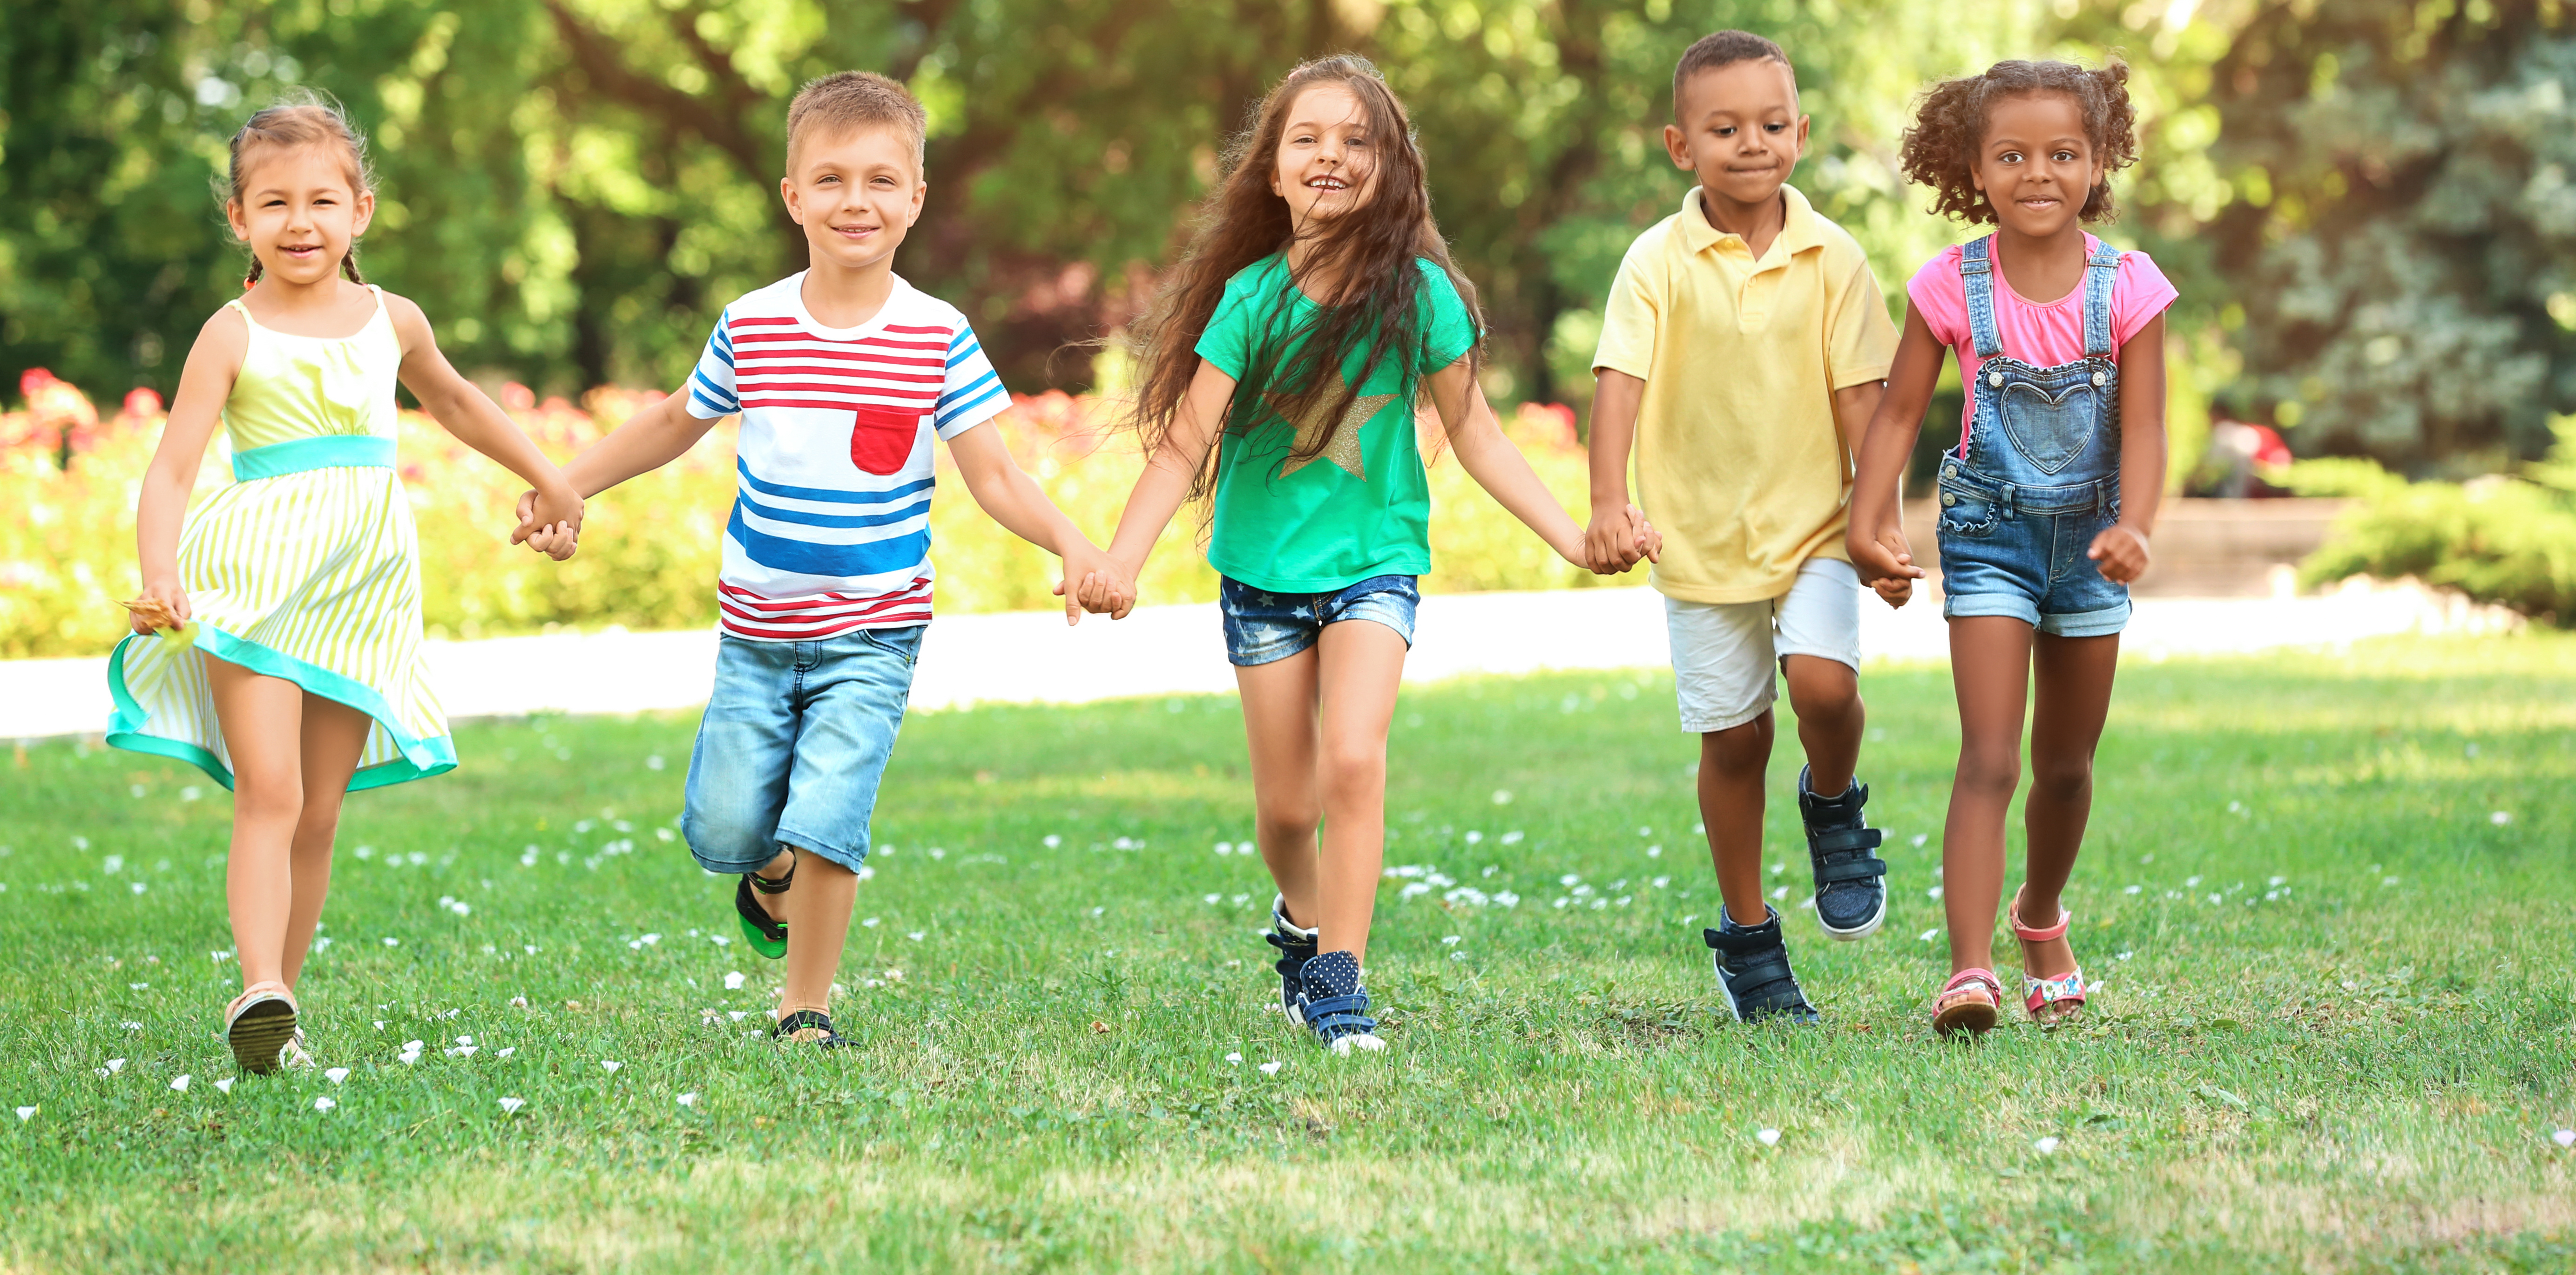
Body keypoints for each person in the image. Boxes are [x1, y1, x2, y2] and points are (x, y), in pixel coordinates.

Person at [515, 71, 1123, 1047]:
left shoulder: (936, 335)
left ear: (915, 199)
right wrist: (567, 481)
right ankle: (766, 876)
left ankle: (805, 1007)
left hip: (874, 631)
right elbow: (675, 420)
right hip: (757, 632)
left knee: (830, 813)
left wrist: (1073, 541)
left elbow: (997, 476)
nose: (857, 200)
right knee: (722, 830)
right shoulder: (754, 323)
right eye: (831, 179)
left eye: (883, 180)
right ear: (793, 195)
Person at [1095, 55, 1627, 1054]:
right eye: (1308, 138)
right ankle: (1300, 919)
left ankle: (1339, 977)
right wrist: (1122, 559)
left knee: (1353, 758)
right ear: (1273, 169)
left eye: (1356, 140)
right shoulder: (1251, 299)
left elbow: (1478, 437)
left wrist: (1572, 536)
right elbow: (1182, 445)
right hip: (1260, 577)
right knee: (1286, 807)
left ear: (1390, 167)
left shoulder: (1418, 294)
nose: (1331, 156)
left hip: (1374, 565)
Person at [112, 96, 585, 1075]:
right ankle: (255, 981)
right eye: (274, 202)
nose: (300, 222)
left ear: (361, 211)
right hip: (251, 584)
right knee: (271, 789)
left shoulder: (392, 320)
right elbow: (171, 468)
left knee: (320, 807)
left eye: (322, 200)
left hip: (361, 593)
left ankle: (274, 1010)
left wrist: (551, 474)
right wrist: (161, 571)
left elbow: (454, 398)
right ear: (239, 219)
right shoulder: (232, 331)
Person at [1844, 58, 2176, 1036]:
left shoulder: (2129, 286)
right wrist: (1868, 521)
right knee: (1987, 754)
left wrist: (2136, 525)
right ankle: (1969, 969)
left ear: (2099, 160)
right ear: (1973, 169)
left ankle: (2039, 916)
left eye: (2063, 152)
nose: (2039, 172)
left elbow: (2148, 428)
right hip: (1988, 540)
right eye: (2013, 155)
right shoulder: (1952, 283)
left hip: (2091, 548)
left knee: (2065, 764)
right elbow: (1900, 411)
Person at [1582, 30, 1901, 1025]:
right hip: (1695, 536)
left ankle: (1834, 801)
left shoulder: (1833, 256)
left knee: (1823, 685)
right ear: (1681, 145)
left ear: (1801, 133)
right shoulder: (1654, 260)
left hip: (1817, 526)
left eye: (1770, 124)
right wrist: (1606, 502)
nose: (1750, 143)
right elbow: (1618, 383)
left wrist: (1877, 522)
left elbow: (1865, 400)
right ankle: (1748, 933)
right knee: (1734, 740)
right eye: (1724, 128)